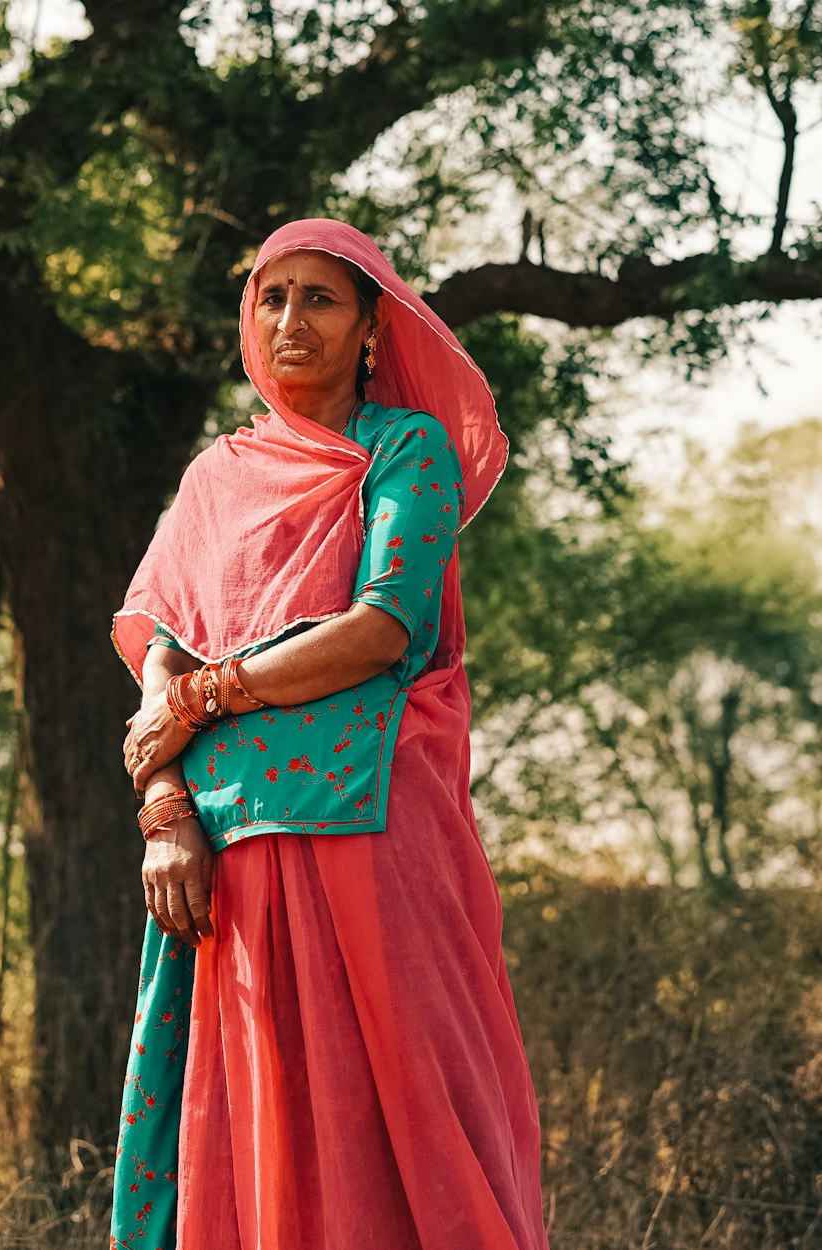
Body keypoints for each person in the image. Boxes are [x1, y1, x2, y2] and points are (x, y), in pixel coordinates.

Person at [110, 219, 549, 1250]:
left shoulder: (402, 448)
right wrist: (166, 809)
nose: (290, 318)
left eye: (319, 298)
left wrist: (209, 695)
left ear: (367, 329)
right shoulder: (214, 478)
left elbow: (384, 625)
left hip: (371, 831)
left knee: (398, 1115)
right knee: (248, 1127)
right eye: (271, 297)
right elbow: (153, 654)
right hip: (225, 852)